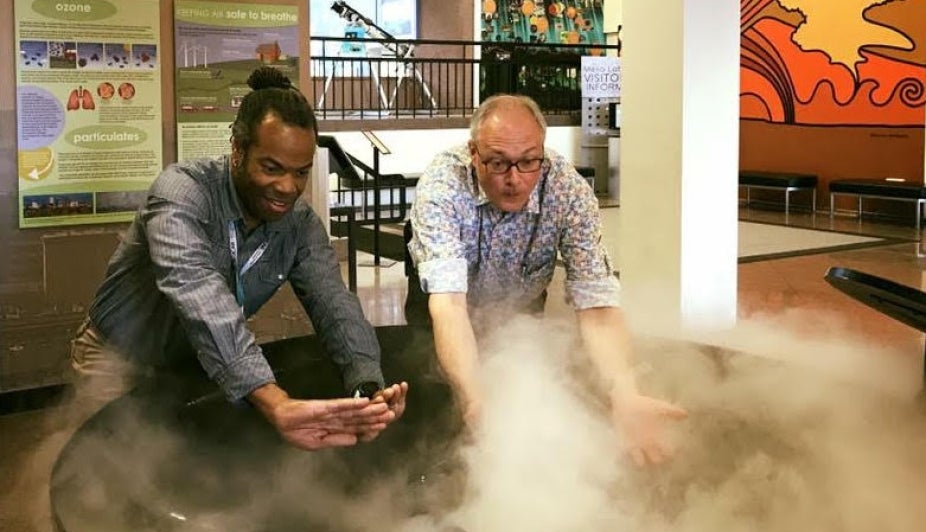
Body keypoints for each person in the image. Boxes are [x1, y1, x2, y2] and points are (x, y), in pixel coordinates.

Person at [72, 66, 407, 450]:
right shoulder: (182, 194)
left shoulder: (299, 226)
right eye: (271, 168)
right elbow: (200, 296)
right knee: (107, 475)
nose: (287, 187)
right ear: (237, 149)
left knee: (181, 469)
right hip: (118, 358)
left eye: (301, 172)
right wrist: (274, 401)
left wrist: (367, 389)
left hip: (197, 362)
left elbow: (335, 305)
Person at [407, 94, 686, 466]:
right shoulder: (443, 186)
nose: (514, 179)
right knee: (442, 404)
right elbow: (449, 306)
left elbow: (597, 304)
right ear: (474, 154)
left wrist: (624, 391)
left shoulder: (567, 191)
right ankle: (432, 488)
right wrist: (474, 398)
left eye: (528, 162)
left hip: (521, 306)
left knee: (523, 387)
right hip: (444, 308)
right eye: (498, 163)